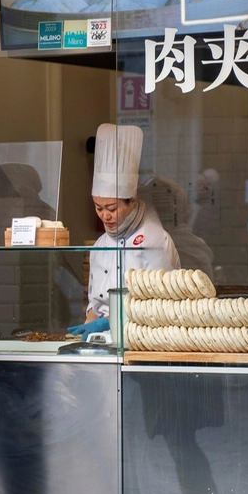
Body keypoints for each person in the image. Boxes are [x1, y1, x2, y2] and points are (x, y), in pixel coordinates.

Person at [69, 124, 181, 338]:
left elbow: (159, 304)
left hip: (143, 340)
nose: (105, 216)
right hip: (104, 342)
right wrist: (89, 328)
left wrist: (106, 323)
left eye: (111, 208)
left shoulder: (156, 241)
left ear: (132, 202)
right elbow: (94, 301)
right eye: (98, 207)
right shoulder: (100, 245)